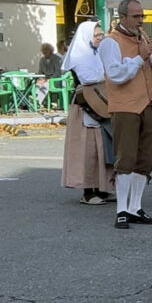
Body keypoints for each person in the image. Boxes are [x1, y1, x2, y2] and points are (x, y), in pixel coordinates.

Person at [99, 0, 152, 229]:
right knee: (126, 158)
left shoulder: (143, 40)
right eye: (136, 17)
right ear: (123, 17)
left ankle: (135, 207)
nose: (141, 21)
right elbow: (116, 74)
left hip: (148, 104)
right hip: (125, 107)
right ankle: (122, 209)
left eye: (142, 16)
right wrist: (140, 56)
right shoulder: (111, 42)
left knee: (144, 160)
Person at [60, 21, 114, 205]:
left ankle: (102, 187)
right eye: (96, 35)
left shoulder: (96, 53)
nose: (100, 38)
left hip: (99, 104)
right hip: (86, 107)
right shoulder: (79, 56)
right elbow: (87, 78)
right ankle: (87, 191)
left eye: (101, 35)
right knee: (88, 151)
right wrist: (109, 74)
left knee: (102, 149)